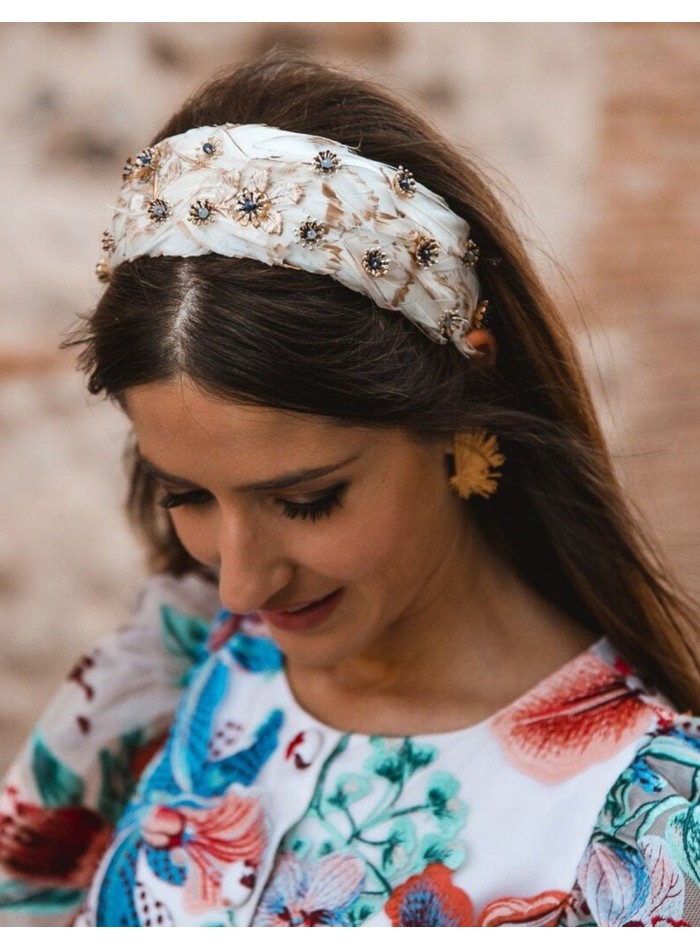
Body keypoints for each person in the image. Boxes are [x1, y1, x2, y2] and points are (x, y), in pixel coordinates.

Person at [1, 54, 700, 928]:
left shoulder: (639, 824)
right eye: (188, 496)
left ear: (460, 409)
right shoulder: (174, 660)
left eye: (306, 502)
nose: (241, 587)